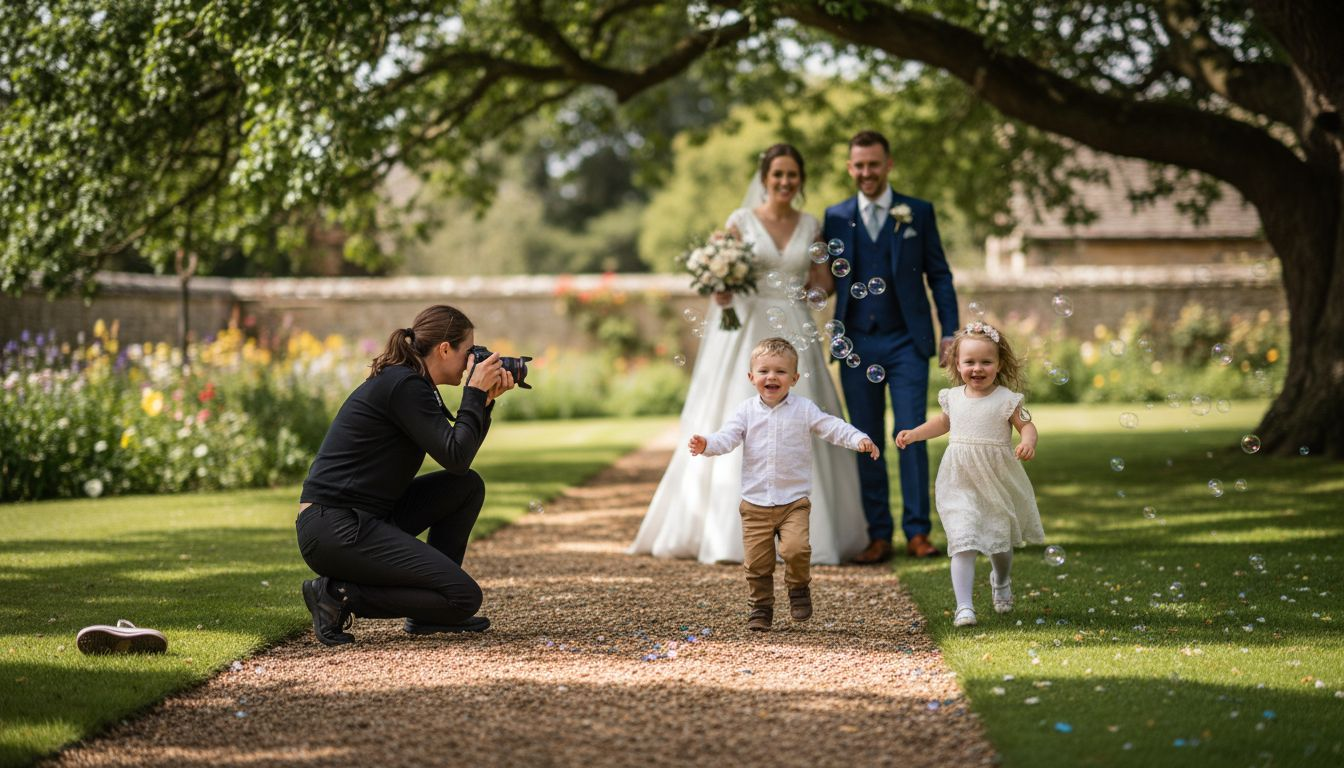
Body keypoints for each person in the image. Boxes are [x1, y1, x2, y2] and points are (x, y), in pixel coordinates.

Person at [630, 143, 869, 565]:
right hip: (745, 330)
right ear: (764, 178)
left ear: (801, 180)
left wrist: (817, 287)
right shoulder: (739, 223)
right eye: (777, 174)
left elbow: (821, 284)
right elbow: (720, 286)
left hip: (794, 326)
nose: (784, 182)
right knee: (735, 411)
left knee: (804, 415)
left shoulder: (811, 224)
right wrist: (719, 282)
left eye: (792, 175)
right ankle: (724, 534)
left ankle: (813, 533)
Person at [295, 305, 515, 646]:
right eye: (469, 351)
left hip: (363, 517)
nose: (474, 360)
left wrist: (482, 402)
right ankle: (336, 595)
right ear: (444, 349)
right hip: (334, 528)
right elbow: (455, 455)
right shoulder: (404, 385)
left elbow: (458, 458)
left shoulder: (411, 382)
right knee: (462, 598)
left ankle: (429, 615)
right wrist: (473, 393)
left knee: (465, 486)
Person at [818, 130, 960, 564]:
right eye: (858, 165)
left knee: (912, 434)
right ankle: (877, 534)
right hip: (856, 342)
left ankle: (917, 532)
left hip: (907, 343)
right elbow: (822, 279)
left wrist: (949, 331)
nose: (866, 173)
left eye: (873, 164)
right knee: (865, 439)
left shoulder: (917, 212)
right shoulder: (835, 216)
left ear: (888, 164)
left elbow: (939, 275)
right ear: (849, 167)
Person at [689, 338, 880, 630]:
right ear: (751, 377)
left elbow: (831, 426)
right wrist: (706, 444)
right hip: (755, 504)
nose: (771, 377)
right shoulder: (745, 412)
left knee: (796, 550)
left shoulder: (804, 409)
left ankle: (798, 587)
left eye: (780, 371)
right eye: (764, 371)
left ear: (794, 378)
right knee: (757, 564)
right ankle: (761, 607)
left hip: (793, 502)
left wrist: (858, 438)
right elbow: (726, 438)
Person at [895, 322, 1044, 627]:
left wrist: (1027, 441)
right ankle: (965, 607)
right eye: (970, 362)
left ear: (999, 364)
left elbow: (1026, 425)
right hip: (960, 478)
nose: (977, 368)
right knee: (963, 540)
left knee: (999, 544)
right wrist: (914, 434)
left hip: (996, 479)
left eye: (986, 362)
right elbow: (942, 423)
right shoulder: (953, 397)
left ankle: (1000, 580)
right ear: (957, 363)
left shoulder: (1007, 399)